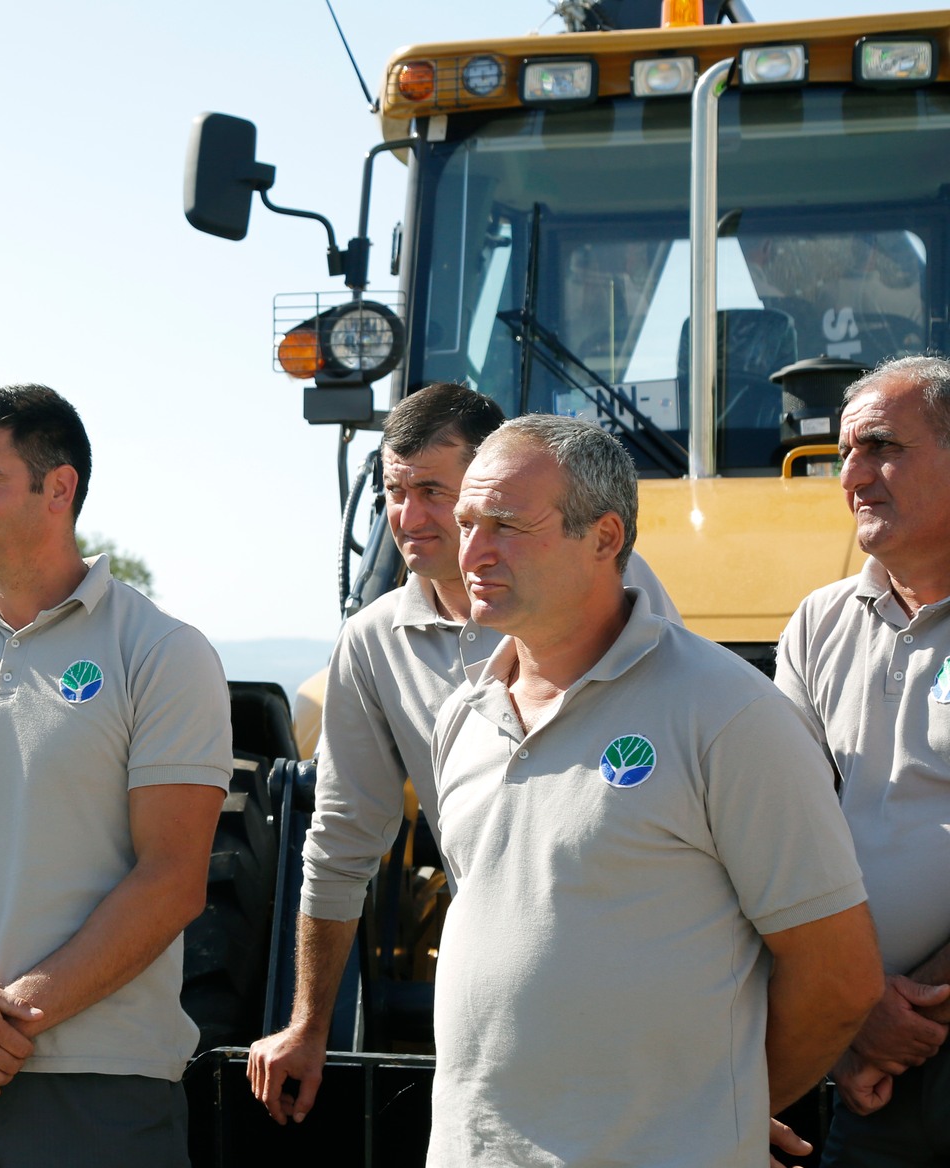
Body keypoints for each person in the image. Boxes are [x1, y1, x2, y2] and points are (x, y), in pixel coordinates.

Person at [424, 414, 882, 1166]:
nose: (471, 552)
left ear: (604, 537)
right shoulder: (463, 718)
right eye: (468, 523)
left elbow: (839, 976)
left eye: (506, 524)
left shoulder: (727, 713)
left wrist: (726, 1113)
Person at [249, 384, 681, 1122]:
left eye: (432, 492)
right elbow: (343, 840)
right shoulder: (374, 642)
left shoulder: (619, 592)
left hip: (651, 991)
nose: (408, 518)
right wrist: (308, 1024)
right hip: (497, 1001)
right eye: (394, 492)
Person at [0, 384, 233, 1168]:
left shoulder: (162, 653)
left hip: (100, 1084)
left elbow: (173, 878)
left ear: (58, 488)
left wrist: (3, 1022)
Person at [774, 354, 950, 1165]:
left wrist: (908, 1013)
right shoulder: (818, 624)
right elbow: (778, 835)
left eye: (882, 447)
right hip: (868, 1056)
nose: (851, 477)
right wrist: (852, 1011)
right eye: (846, 453)